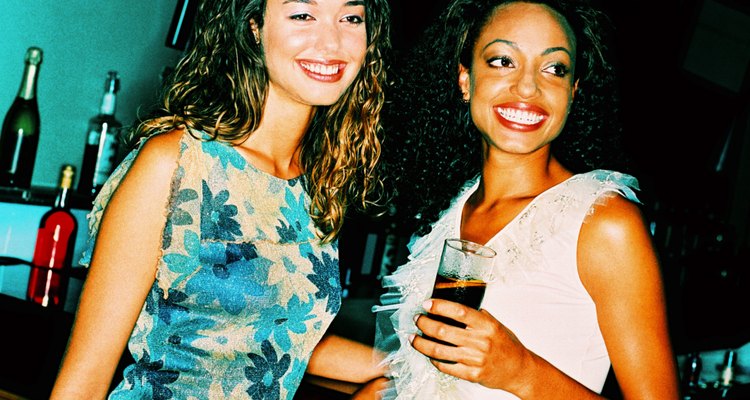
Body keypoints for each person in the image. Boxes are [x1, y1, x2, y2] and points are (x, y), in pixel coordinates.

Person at [50, 0, 391, 398]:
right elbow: (83, 381)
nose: (332, 41)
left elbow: (277, 340)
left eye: (351, 18)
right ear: (253, 27)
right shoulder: (177, 162)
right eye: (303, 14)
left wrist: (414, 371)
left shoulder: (320, 182)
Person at [373, 0, 680, 399]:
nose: (529, 87)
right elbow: (420, 379)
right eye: (503, 61)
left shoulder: (603, 224)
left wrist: (522, 372)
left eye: (554, 69)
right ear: (466, 79)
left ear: (573, 91)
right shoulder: (454, 211)